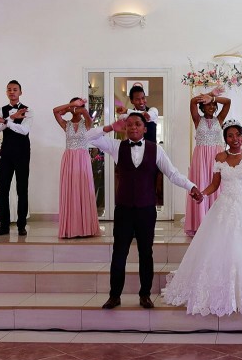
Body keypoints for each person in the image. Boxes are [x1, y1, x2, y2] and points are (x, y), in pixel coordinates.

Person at [162, 119, 242, 315]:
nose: (234, 138)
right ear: (225, 138)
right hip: (225, 205)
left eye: (237, 135)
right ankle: (222, 293)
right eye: (230, 135)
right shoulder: (219, 157)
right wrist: (202, 193)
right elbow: (215, 184)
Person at [86, 113, 202, 309]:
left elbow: (172, 174)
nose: (133, 127)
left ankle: (145, 294)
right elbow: (87, 137)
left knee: (145, 253)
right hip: (123, 209)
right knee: (119, 254)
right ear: (124, 128)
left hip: (146, 209)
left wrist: (191, 186)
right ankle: (114, 296)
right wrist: (109, 128)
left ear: (145, 128)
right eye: (129, 124)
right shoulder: (116, 147)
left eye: (137, 124)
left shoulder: (156, 150)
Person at [185, 89, 230, 236]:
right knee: (202, 184)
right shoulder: (197, 120)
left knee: (217, 187)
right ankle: (201, 223)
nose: (211, 107)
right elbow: (192, 101)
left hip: (217, 157)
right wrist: (208, 95)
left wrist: (213, 98)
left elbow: (228, 102)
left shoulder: (220, 120)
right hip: (201, 159)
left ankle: (217, 223)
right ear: (202, 107)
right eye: (208, 105)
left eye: (213, 105)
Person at [53, 97, 100, 239]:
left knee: (83, 190)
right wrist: (70, 106)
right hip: (69, 159)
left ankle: (86, 227)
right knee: (70, 191)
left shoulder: (86, 122)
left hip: (82, 159)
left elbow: (87, 114)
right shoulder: (65, 124)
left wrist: (80, 108)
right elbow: (55, 111)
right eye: (74, 105)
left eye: (77, 105)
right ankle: (70, 228)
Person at [0, 80, 31, 237]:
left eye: (15, 89)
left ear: (20, 92)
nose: (12, 92)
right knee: (3, 190)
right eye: (9, 90)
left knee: (22, 189)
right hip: (6, 153)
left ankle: (21, 225)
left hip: (22, 152)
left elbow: (24, 130)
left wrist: (7, 121)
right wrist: (11, 118)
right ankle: (4, 226)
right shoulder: (1, 109)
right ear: (6, 92)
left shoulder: (28, 110)